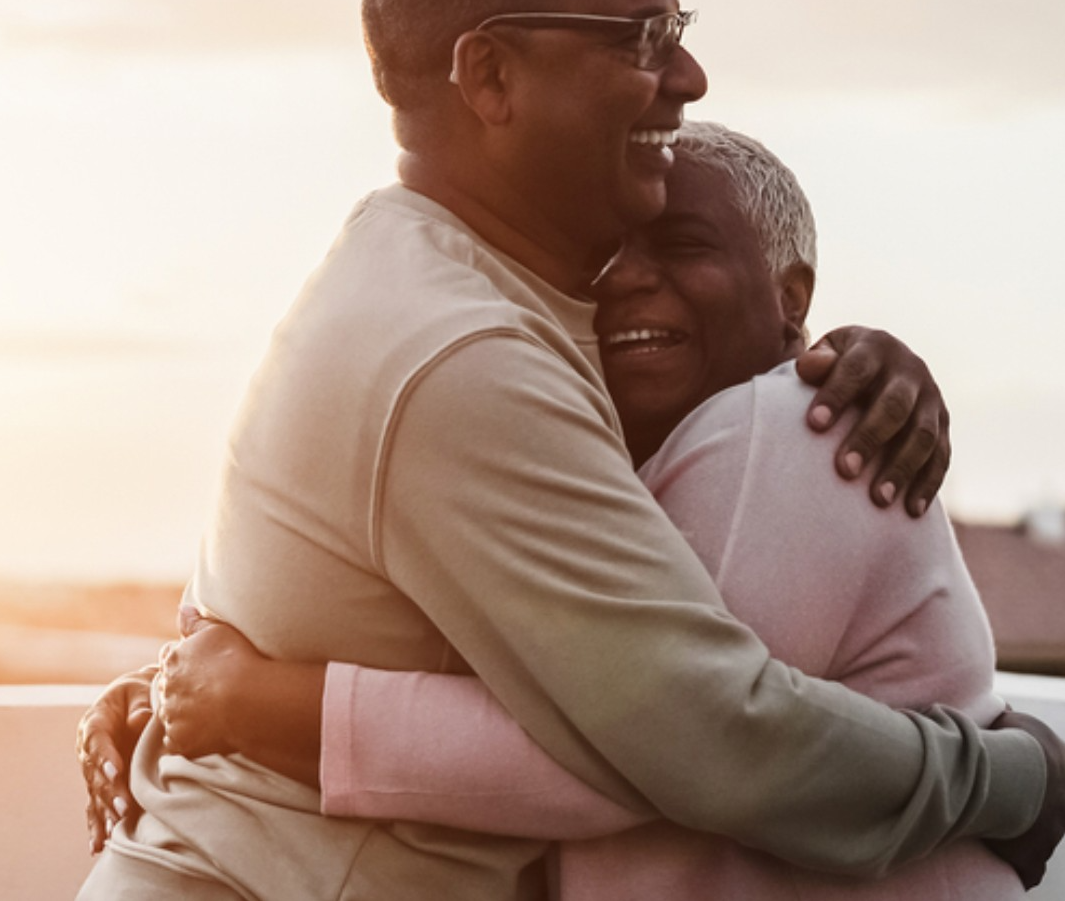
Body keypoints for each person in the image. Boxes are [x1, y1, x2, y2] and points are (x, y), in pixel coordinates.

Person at [74, 0, 1062, 901]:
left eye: (675, 27)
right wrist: (1015, 774)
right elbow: (709, 740)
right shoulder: (459, 352)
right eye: (638, 37)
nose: (688, 73)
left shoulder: (440, 279)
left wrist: (844, 351)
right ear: (492, 76)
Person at [147, 121, 1026, 899]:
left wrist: (259, 703)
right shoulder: (620, 463)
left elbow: (651, 749)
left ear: (790, 297)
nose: (628, 281)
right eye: (606, 259)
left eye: (680, 246)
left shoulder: (797, 430)